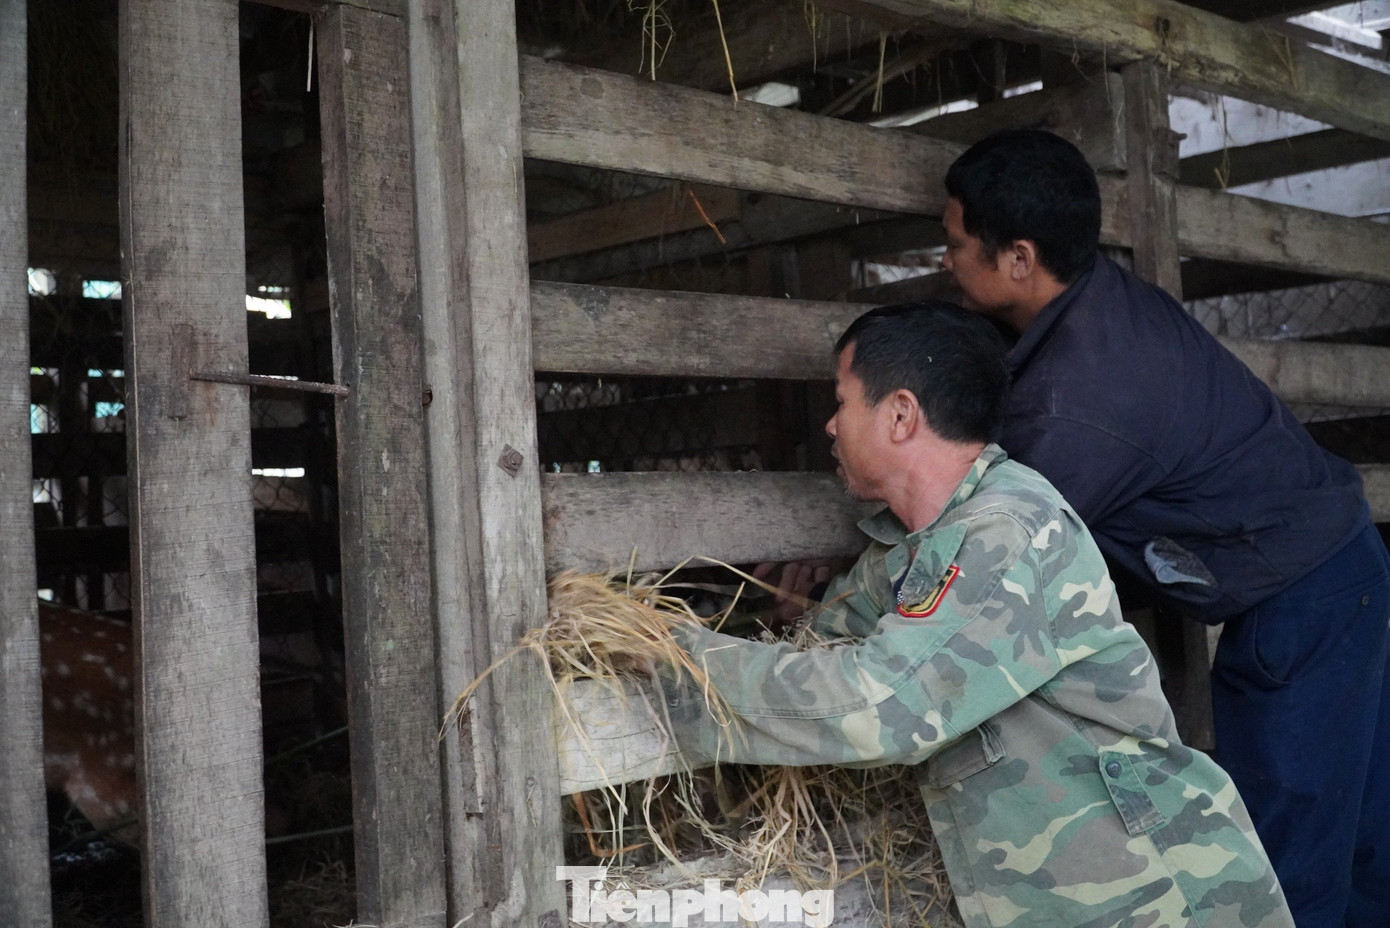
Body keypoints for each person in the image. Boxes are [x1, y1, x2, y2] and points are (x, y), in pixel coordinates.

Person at [659, 303, 1293, 928]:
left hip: (1154, 897)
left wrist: (676, 656)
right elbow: (827, 649)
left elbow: (881, 707)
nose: (829, 425)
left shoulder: (1006, 531)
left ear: (900, 414)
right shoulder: (909, 548)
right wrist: (779, 624)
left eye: (842, 401)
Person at [940, 128, 1390, 928]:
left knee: (1285, 862)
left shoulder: (1076, 403)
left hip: (1305, 601)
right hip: (1333, 571)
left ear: (1018, 258)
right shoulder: (1100, 304)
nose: (944, 262)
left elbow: (986, 552)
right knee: (1356, 836)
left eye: (953, 244)